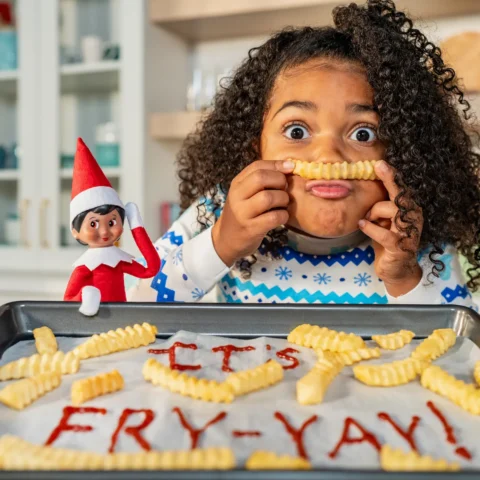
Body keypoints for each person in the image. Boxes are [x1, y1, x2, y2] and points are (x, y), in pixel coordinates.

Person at [129, 0, 480, 307]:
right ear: (255, 148)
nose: (328, 155)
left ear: (402, 151)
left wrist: (405, 279)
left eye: (363, 133)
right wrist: (221, 243)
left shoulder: (412, 238)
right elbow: (132, 301)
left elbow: (464, 349)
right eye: (297, 131)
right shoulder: (220, 213)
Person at [65, 138, 160, 316]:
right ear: (75, 232)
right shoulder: (84, 267)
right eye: (93, 223)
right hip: (92, 324)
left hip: (121, 320)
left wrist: (137, 226)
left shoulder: (118, 261)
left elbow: (151, 269)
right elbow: (68, 299)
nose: (104, 231)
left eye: (111, 222)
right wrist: (85, 296)